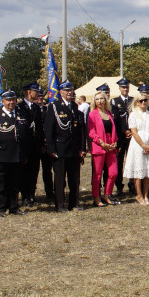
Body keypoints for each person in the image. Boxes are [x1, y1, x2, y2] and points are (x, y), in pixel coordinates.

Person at [44, 82, 88, 211]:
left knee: (74, 178)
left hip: (73, 149)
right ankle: (60, 204)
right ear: (61, 92)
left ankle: (74, 203)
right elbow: (48, 130)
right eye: (66, 90)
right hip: (60, 148)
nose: (69, 92)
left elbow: (80, 130)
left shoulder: (75, 107)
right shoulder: (54, 107)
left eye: (71, 90)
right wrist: (51, 149)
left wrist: (82, 148)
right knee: (59, 179)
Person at [0, 90, 28, 217]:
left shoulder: (21, 114)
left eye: (13, 99)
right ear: (2, 101)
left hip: (17, 155)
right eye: (8, 100)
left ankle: (14, 206)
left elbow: (25, 136)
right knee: (0, 184)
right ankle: (0, 208)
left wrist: (24, 154)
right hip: (1, 155)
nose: (11, 102)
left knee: (14, 184)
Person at [122, 92, 149, 204]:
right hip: (138, 145)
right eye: (140, 101)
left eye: (145, 100)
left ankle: (146, 195)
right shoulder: (133, 115)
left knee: (147, 171)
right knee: (138, 172)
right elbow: (134, 132)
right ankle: (139, 195)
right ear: (136, 102)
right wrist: (143, 145)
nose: (143, 103)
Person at [87, 92, 120, 206]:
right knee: (97, 174)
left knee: (113, 172)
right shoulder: (92, 114)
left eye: (102, 98)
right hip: (99, 146)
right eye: (97, 99)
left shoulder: (109, 113)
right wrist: (102, 143)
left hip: (110, 146)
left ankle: (107, 194)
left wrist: (115, 142)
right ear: (94, 101)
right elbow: (91, 132)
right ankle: (96, 197)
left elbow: (113, 129)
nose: (100, 101)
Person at [17, 82, 45, 207]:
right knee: (24, 173)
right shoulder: (19, 107)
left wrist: (42, 143)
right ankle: (25, 197)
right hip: (25, 145)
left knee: (34, 171)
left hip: (35, 145)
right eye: (36, 91)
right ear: (29, 92)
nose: (38, 94)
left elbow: (40, 127)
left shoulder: (36, 108)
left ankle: (32, 196)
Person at [110, 77, 134, 199]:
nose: (125, 89)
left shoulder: (133, 100)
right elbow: (115, 121)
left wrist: (130, 131)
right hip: (120, 138)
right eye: (123, 87)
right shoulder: (114, 102)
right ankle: (119, 186)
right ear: (119, 88)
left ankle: (132, 184)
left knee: (133, 162)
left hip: (132, 136)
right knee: (118, 163)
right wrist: (123, 131)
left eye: (127, 87)